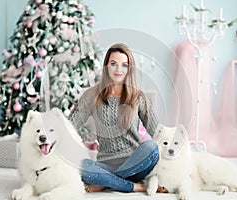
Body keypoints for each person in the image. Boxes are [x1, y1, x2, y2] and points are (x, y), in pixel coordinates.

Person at [68, 43, 165, 193]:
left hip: (136, 163)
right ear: (106, 66)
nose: (119, 70)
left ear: (129, 69)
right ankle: (132, 186)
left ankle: (106, 183)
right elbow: (69, 126)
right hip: (105, 164)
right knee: (84, 165)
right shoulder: (92, 96)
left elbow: (159, 134)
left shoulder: (138, 97)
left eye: (124, 65)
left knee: (151, 147)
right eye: (113, 64)